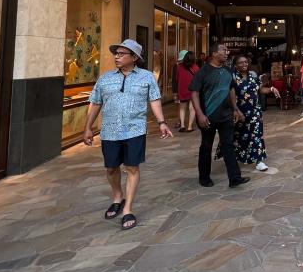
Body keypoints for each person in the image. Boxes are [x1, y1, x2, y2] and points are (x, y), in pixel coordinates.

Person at [83, 39, 172, 231]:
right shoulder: (105, 78)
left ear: (134, 58)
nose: (117, 56)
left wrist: (162, 122)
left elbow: (155, 100)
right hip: (109, 131)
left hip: (135, 130)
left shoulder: (147, 77)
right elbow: (95, 102)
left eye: (122, 53)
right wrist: (88, 127)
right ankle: (117, 197)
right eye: (116, 53)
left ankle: (128, 209)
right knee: (111, 169)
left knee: (132, 168)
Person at [190, 44, 248, 188]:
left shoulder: (228, 71)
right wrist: (199, 114)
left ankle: (234, 178)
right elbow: (194, 93)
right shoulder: (203, 71)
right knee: (206, 146)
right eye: (223, 51)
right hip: (208, 117)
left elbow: (231, 90)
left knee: (228, 145)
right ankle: (204, 177)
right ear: (214, 53)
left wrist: (236, 109)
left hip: (226, 115)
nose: (226, 53)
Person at [233, 54, 280, 172]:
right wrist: (236, 110)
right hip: (240, 112)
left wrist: (271, 89)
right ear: (235, 65)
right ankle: (239, 157)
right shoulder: (233, 78)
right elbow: (231, 96)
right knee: (241, 136)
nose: (244, 64)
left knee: (257, 135)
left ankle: (259, 160)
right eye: (241, 62)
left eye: (245, 62)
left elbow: (260, 89)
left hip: (255, 112)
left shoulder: (253, 76)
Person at [173, 50, 199, 132]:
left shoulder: (179, 67)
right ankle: (190, 127)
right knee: (192, 108)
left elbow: (176, 79)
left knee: (182, 108)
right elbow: (199, 79)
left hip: (182, 90)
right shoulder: (195, 67)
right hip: (192, 90)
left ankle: (182, 126)